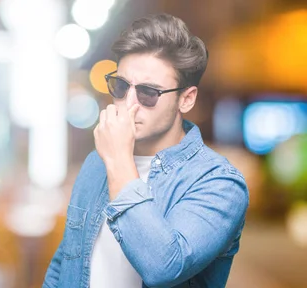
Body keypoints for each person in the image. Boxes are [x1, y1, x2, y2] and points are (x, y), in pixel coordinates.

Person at [43, 13, 249, 288]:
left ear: (186, 99)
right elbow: (65, 265)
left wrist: (118, 160)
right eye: (121, 86)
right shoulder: (97, 162)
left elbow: (163, 267)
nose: (129, 104)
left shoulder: (219, 182)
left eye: (148, 93)